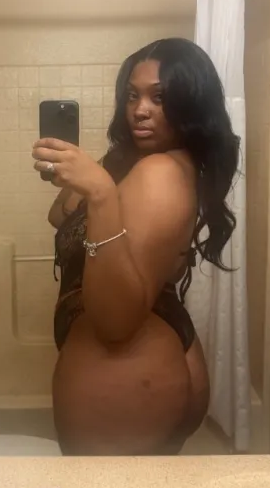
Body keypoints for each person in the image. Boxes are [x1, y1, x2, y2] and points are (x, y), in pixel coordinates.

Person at [32, 38, 240, 456]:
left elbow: (115, 324)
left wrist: (101, 194)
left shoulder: (160, 172)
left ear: (191, 104)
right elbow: (60, 216)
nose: (140, 109)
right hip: (150, 351)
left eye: (159, 97)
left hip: (128, 365)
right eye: (132, 95)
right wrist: (90, 177)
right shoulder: (137, 161)